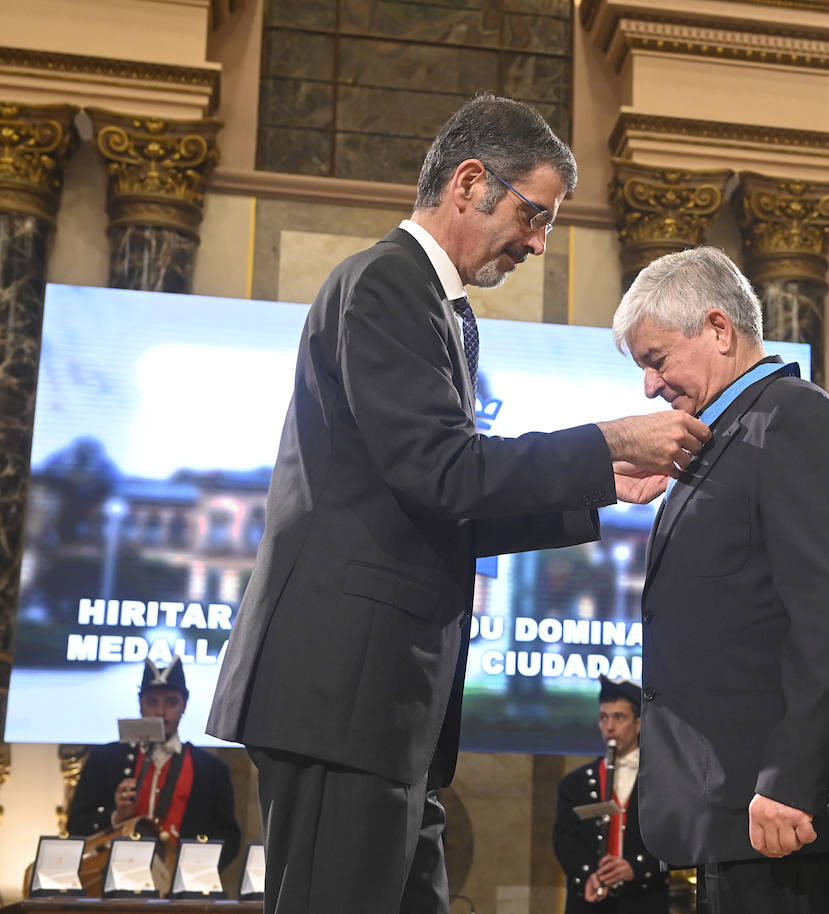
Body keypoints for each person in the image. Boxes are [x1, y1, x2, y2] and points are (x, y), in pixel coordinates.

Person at [206, 94, 711, 914]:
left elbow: (440, 502)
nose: (538, 243)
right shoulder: (386, 284)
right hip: (343, 698)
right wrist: (609, 442)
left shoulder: (429, 304)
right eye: (532, 215)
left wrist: (598, 487)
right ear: (470, 181)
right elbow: (441, 471)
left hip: (380, 712)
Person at [613, 246, 829, 914]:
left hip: (777, 810)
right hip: (732, 810)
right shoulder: (726, 437)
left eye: (656, 360)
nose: (649, 388)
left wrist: (790, 779)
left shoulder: (796, 419)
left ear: (719, 329)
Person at [67, 658, 240, 869]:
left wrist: (195, 872)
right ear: (140, 704)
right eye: (152, 702)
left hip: (179, 891)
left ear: (184, 705)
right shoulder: (104, 759)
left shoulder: (211, 770)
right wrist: (115, 817)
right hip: (112, 882)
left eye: (171, 702)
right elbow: (76, 825)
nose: (160, 712)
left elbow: (229, 837)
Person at [553, 677, 667, 913]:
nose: (610, 726)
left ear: (638, 724)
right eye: (604, 717)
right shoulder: (575, 783)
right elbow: (564, 839)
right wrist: (587, 876)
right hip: (589, 901)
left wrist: (636, 867)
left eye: (619, 717)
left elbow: (675, 838)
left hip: (644, 901)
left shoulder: (662, 782)